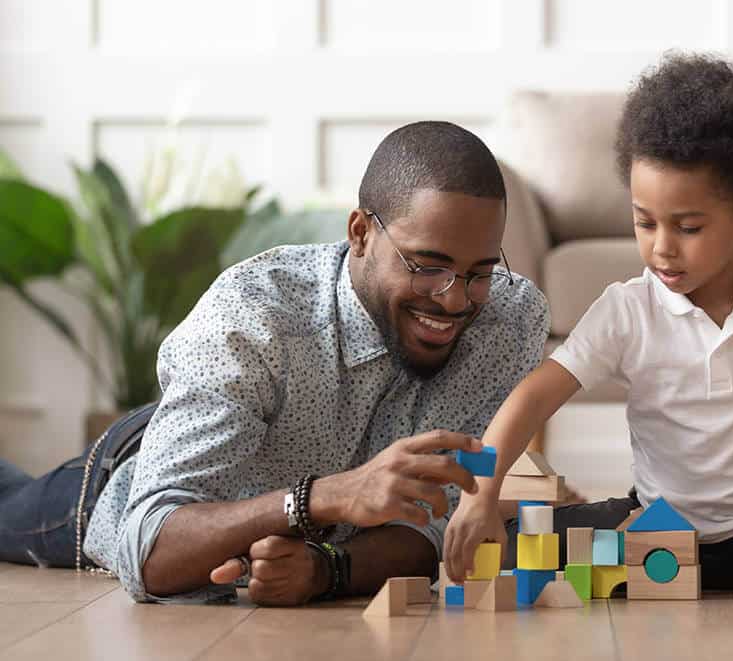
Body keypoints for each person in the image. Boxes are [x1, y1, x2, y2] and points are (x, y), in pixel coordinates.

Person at [0, 121, 550, 605]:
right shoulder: (253, 315)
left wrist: (327, 569)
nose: (456, 300)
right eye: (427, 266)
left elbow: (439, 521)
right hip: (134, 477)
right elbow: (150, 549)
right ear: (360, 233)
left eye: (479, 271)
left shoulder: (509, 322)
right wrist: (325, 497)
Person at [443, 53, 733, 598]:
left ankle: (698, 572)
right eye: (644, 222)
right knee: (516, 543)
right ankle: (671, 564)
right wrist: (479, 497)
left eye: (687, 227)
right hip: (660, 521)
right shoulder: (626, 309)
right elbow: (534, 397)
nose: (661, 247)